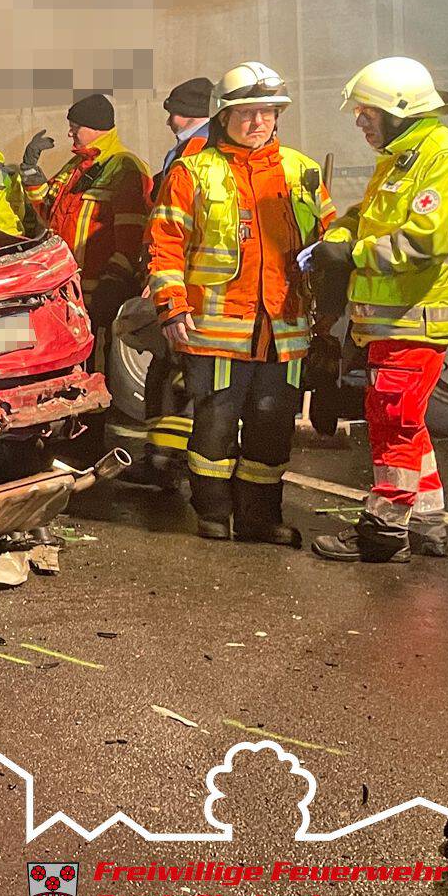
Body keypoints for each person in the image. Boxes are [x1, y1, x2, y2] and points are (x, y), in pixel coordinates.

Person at [144, 63, 334, 543]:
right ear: (223, 116)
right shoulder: (193, 171)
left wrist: (331, 299)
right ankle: (212, 511)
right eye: (246, 113)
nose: (257, 122)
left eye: (267, 112)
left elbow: (329, 236)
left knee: (273, 426)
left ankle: (260, 518)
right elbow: (165, 243)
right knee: (215, 424)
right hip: (217, 329)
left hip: (284, 329)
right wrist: (171, 305)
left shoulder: (301, 170)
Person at [308, 57, 448, 563]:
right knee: (405, 421)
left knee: (392, 423)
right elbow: (367, 217)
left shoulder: (446, 158)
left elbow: (424, 241)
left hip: (414, 320)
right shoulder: (401, 157)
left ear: (400, 111)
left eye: (367, 113)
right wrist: (339, 234)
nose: (360, 122)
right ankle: (427, 524)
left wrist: (351, 253)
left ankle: (383, 531)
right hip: (392, 323)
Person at [25, 92, 152, 459]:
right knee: (70, 367)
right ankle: (72, 434)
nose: (71, 134)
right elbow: (49, 210)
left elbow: (132, 233)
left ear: (94, 127)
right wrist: (30, 171)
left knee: (95, 368)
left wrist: (115, 281)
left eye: (75, 127)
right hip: (66, 294)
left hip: (97, 292)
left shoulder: (125, 167)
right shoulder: (76, 167)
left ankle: (92, 443)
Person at [123, 78, 215, 489]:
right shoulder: (192, 147)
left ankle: (166, 462)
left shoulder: (196, 150)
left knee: (174, 374)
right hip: (183, 279)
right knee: (172, 372)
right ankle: (167, 459)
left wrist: (161, 277)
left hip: (187, 282)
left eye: (172, 111)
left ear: (188, 112)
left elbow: (175, 222)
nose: (167, 120)